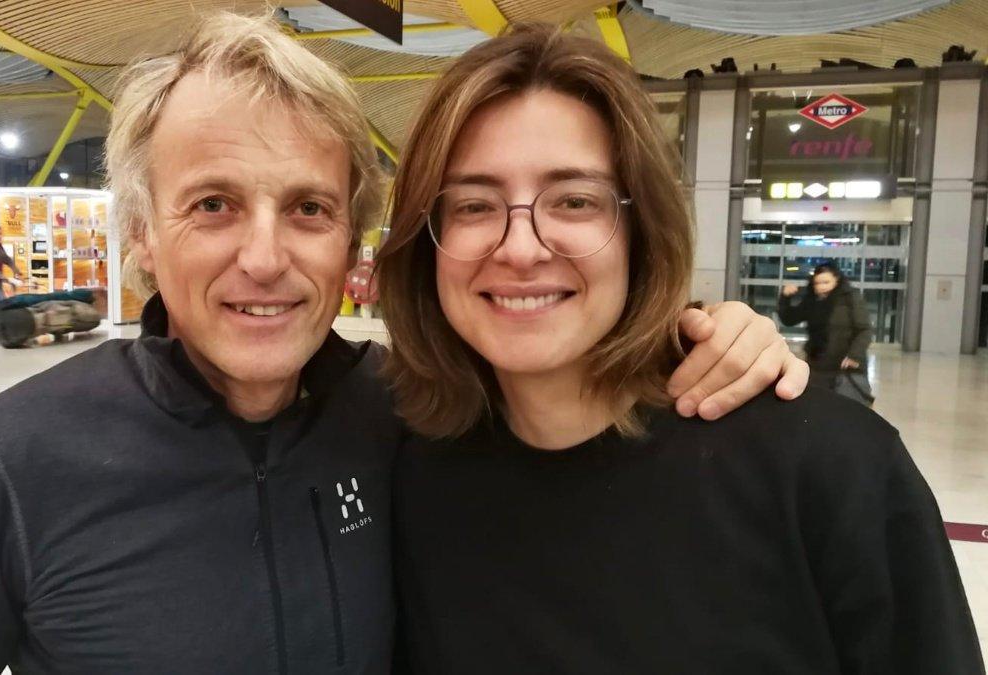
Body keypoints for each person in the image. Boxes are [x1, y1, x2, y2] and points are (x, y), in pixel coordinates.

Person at [0, 13, 808, 674]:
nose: (266, 257)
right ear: (143, 236)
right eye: (214, 205)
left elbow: (557, 355)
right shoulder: (8, 467)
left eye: (308, 209)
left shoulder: (416, 409)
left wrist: (712, 333)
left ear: (351, 240)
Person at [378, 24, 983, 674]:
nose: (521, 247)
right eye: (474, 205)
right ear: (426, 241)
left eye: (575, 200)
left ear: (643, 232)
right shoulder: (407, 471)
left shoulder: (829, 471)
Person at [778, 262, 873, 390]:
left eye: (826, 282)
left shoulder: (850, 298)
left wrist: (854, 355)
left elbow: (864, 330)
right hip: (817, 365)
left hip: (845, 365)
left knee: (844, 405)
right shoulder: (811, 301)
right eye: (817, 283)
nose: (821, 287)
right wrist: (785, 298)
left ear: (836, 280)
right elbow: (789, 319)